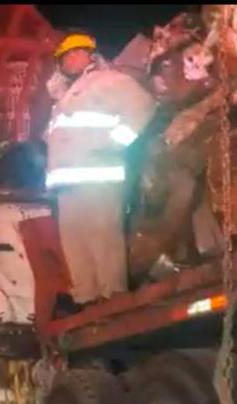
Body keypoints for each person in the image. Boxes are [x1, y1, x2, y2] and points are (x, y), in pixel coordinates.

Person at [45, 32, 157, 305]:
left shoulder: (110, 81)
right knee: (75, 243)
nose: (70, 60)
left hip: (99, 177)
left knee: (103, 237)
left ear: (90, 54)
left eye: (75, 53)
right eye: (64, 57)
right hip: (68, 183)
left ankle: (113, 295)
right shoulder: (66, 97)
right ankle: (87, 298)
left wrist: (113, 143)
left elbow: (143, 106)